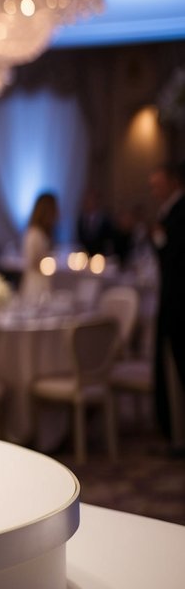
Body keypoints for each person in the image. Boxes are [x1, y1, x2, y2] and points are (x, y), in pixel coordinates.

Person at [149, 162, 185, 454]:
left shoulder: (179, 211)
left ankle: (179, 436)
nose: (154, 190)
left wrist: (159, 238)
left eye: (158, 184)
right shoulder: (170, 210)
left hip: (177, 303)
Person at [19, 191, 58, 303]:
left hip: (43, 281)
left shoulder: (43, 233)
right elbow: (31, 261)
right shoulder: (34, 234)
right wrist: (49, 263)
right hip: (36, 283)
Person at [76, 189, 116, 257]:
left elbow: (108, 241)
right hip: (84, 255)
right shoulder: (81, 219)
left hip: (100, 255)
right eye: (87, 200)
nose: (88, 202)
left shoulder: (105, 219)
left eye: (91, 199)